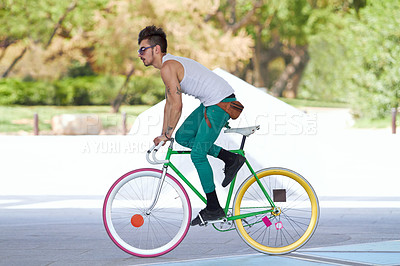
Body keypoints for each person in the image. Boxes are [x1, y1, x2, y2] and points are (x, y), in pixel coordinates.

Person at [138, 25, 245, 226]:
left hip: (220, 103)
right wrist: (165, 135)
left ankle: (213, 207)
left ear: (156, 49)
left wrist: (165, 135)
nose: (139, 54)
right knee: (183, 137)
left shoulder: (168, 67)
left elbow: (177, 106)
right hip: (211, 103)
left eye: (143, 49)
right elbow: (169, 105)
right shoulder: (167, 68)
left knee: (197, 154)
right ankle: (230, 158)